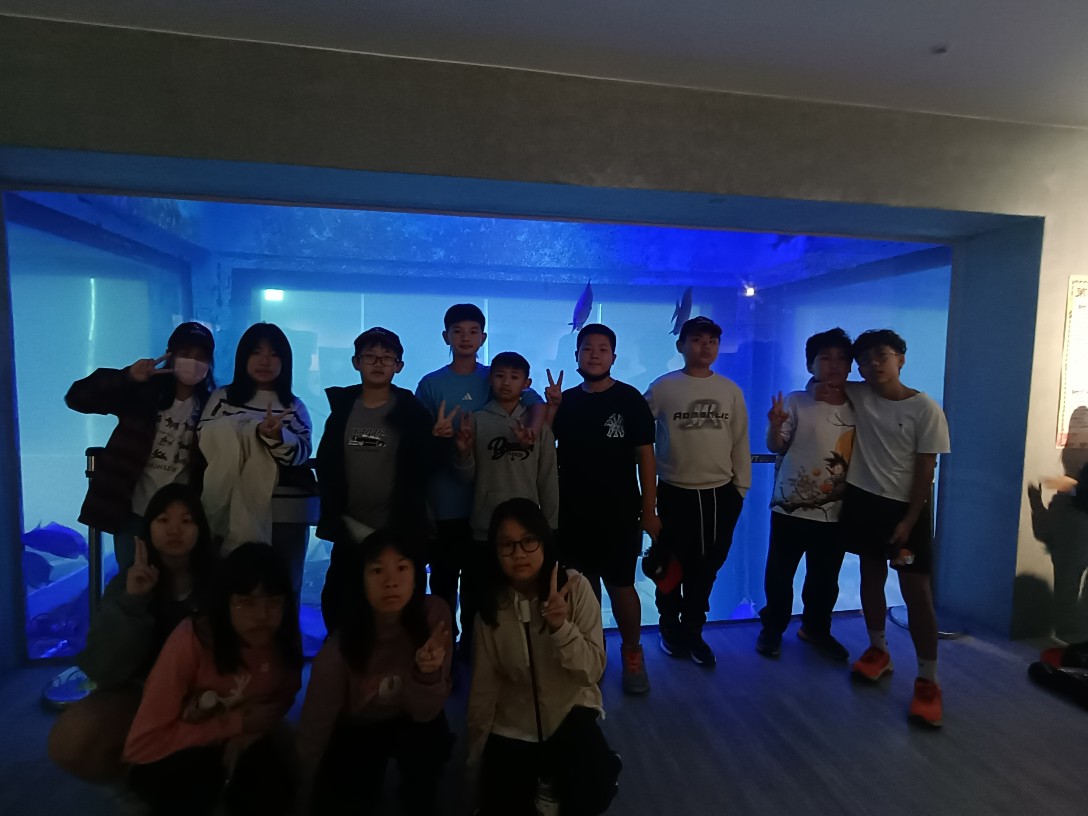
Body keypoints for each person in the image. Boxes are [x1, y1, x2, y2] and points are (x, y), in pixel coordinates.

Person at [48, 483, 216, 782]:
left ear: (201, 529)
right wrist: (133, 601)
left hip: (206, 693)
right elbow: (102, 668)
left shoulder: (220, 581)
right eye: (163, 519)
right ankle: (132, 785)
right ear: (148, 528)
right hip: (142, 690)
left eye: (186, 520)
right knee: (70, 740)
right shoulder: (127, 582)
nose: (174, 529)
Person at [123, 542, 303, 816]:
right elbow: (142, 745)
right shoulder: (192, 640)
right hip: (183, 748)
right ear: (225, 602)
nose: (262, 615)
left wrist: (248, 733)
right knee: (191, 790)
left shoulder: (283, 640)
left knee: (274, 789)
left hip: (242, 739)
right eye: (246, 602)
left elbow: (282, 698)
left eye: (274, 601)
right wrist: (235, 724)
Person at [468, 498, 621, 816]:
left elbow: (592, 671)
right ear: (495, 551)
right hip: (512, 724)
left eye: (528, 540)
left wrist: (560, 628)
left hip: (569, 710)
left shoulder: (575, 588)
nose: (519, 553)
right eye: (507, 545)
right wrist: (475, 757)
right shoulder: (489, 608)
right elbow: (484, 688)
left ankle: (605, 764)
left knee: (592, 793)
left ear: (544, 540)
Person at [831, 329, 950, 727]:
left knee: (917, 593)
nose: (873, 364)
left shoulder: (925, 409)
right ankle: (878, 650)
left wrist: (909, 521)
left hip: (906, 509)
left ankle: (928, 680)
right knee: (870, 576)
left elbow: (926, 472)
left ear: (901, 358)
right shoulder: (859, 394)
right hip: (863, 502)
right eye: (864, 360)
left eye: (881, 355)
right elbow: (825, 381)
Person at [296, 530, 453, 815]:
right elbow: (313, 730)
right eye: (378, 570)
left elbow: (426, 712)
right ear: (361, 580)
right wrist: (301, 796)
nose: (390, 581)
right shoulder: (338, 651)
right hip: (359, 726)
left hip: (411, 719)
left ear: (417, 575)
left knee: (429, 741)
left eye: (402, 568)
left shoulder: (434, 617)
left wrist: (427, 672)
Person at [415, 303, 545, 649]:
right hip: (444, 502)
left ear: (483, 338)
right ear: (445, 336)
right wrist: (436, 435)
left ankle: (475, 651)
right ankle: (442, 650)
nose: (466, 338)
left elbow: (536, 404)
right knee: (443, 583)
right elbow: (415, 439)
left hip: (485, 506)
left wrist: (532, 431)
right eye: (458, 331)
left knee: (478, 586)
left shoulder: (495, 377)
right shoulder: (430, 384)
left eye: (473, 331)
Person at [549, 323, 659, 695]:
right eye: (587, 348)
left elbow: (646, 457)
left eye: (602, 349)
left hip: (619, 512)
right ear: (576, 355)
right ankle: (591, 654)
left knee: (622, 585)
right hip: (571, 513)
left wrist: (649, 510)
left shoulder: (629, 399)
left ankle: (632, 653)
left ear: (613, 356)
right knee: (581, 589)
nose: (594, 354)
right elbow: (544, 447)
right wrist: (551, 408)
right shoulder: (566, 401)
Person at [65, 321, 216, 570]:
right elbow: (77, 397)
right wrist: (128, 376)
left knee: (177, 580)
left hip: (183, 516)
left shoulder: (212, 406)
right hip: (133, 512)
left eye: (201, 356)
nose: (193, 361)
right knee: (132, 579)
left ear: (210, 362)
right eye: (185, 353)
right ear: (170, 355)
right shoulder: (143, 393)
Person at [644, 316, 750, 667]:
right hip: (673, 490)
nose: (705, 347)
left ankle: (693, 629)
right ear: (681, 345)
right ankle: (668, 626)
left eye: (711, 341)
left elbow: (740, 441)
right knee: (668, 563)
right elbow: (639, 433)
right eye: (696, 340)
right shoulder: (663, 387)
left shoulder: (730, 390)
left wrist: (740, 489)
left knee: (707, 566)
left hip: (719, 493)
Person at [317, 327, 436, 633]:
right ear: (356, 362)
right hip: (351, 529)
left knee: (402, 610)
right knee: (340, 603)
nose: (378, 363)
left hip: (398, 530)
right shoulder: (342, 409)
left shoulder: (412, 412)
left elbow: (426, 467)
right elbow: (328, 463)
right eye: (370, 356)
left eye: (387, 357)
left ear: (399, 366)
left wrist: (442, 440)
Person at [757, 328, 855, 661]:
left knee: (825, 578)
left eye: (841, 358)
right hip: (790, 505)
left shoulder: (859, 404)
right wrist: (774, 425)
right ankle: (773, 628)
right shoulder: (797, 400)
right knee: (779, 573)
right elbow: (776, 445)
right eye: (824, 358)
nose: (833, 364)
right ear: (810, 364)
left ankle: (816, 628)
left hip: (837, 509)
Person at [455, 352, 559, 653]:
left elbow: (547, 478)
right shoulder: (476, 421)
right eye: (500, 375)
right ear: (490, 379)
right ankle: (473, 653)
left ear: (526, 383)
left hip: (528, 533)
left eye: (514, 377)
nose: (506, 382)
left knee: (525, 598)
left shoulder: (538, 427)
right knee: (478, 597)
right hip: (484, 527)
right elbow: (466, 479)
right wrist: (463, 452)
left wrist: (550, 526)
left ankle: (523, 655)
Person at [199, 322, 313, 592]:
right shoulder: (222, 398)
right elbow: (204, 440)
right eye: (256, 352)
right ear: (243, 357)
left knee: (283, 586)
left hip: (285, 513)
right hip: (227, 508)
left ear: (285, 361)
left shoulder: (293, 406)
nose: (265, 360)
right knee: (230, 586)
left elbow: (301, 453)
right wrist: (251, 429)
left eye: (274, 354)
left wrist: (276, 436)